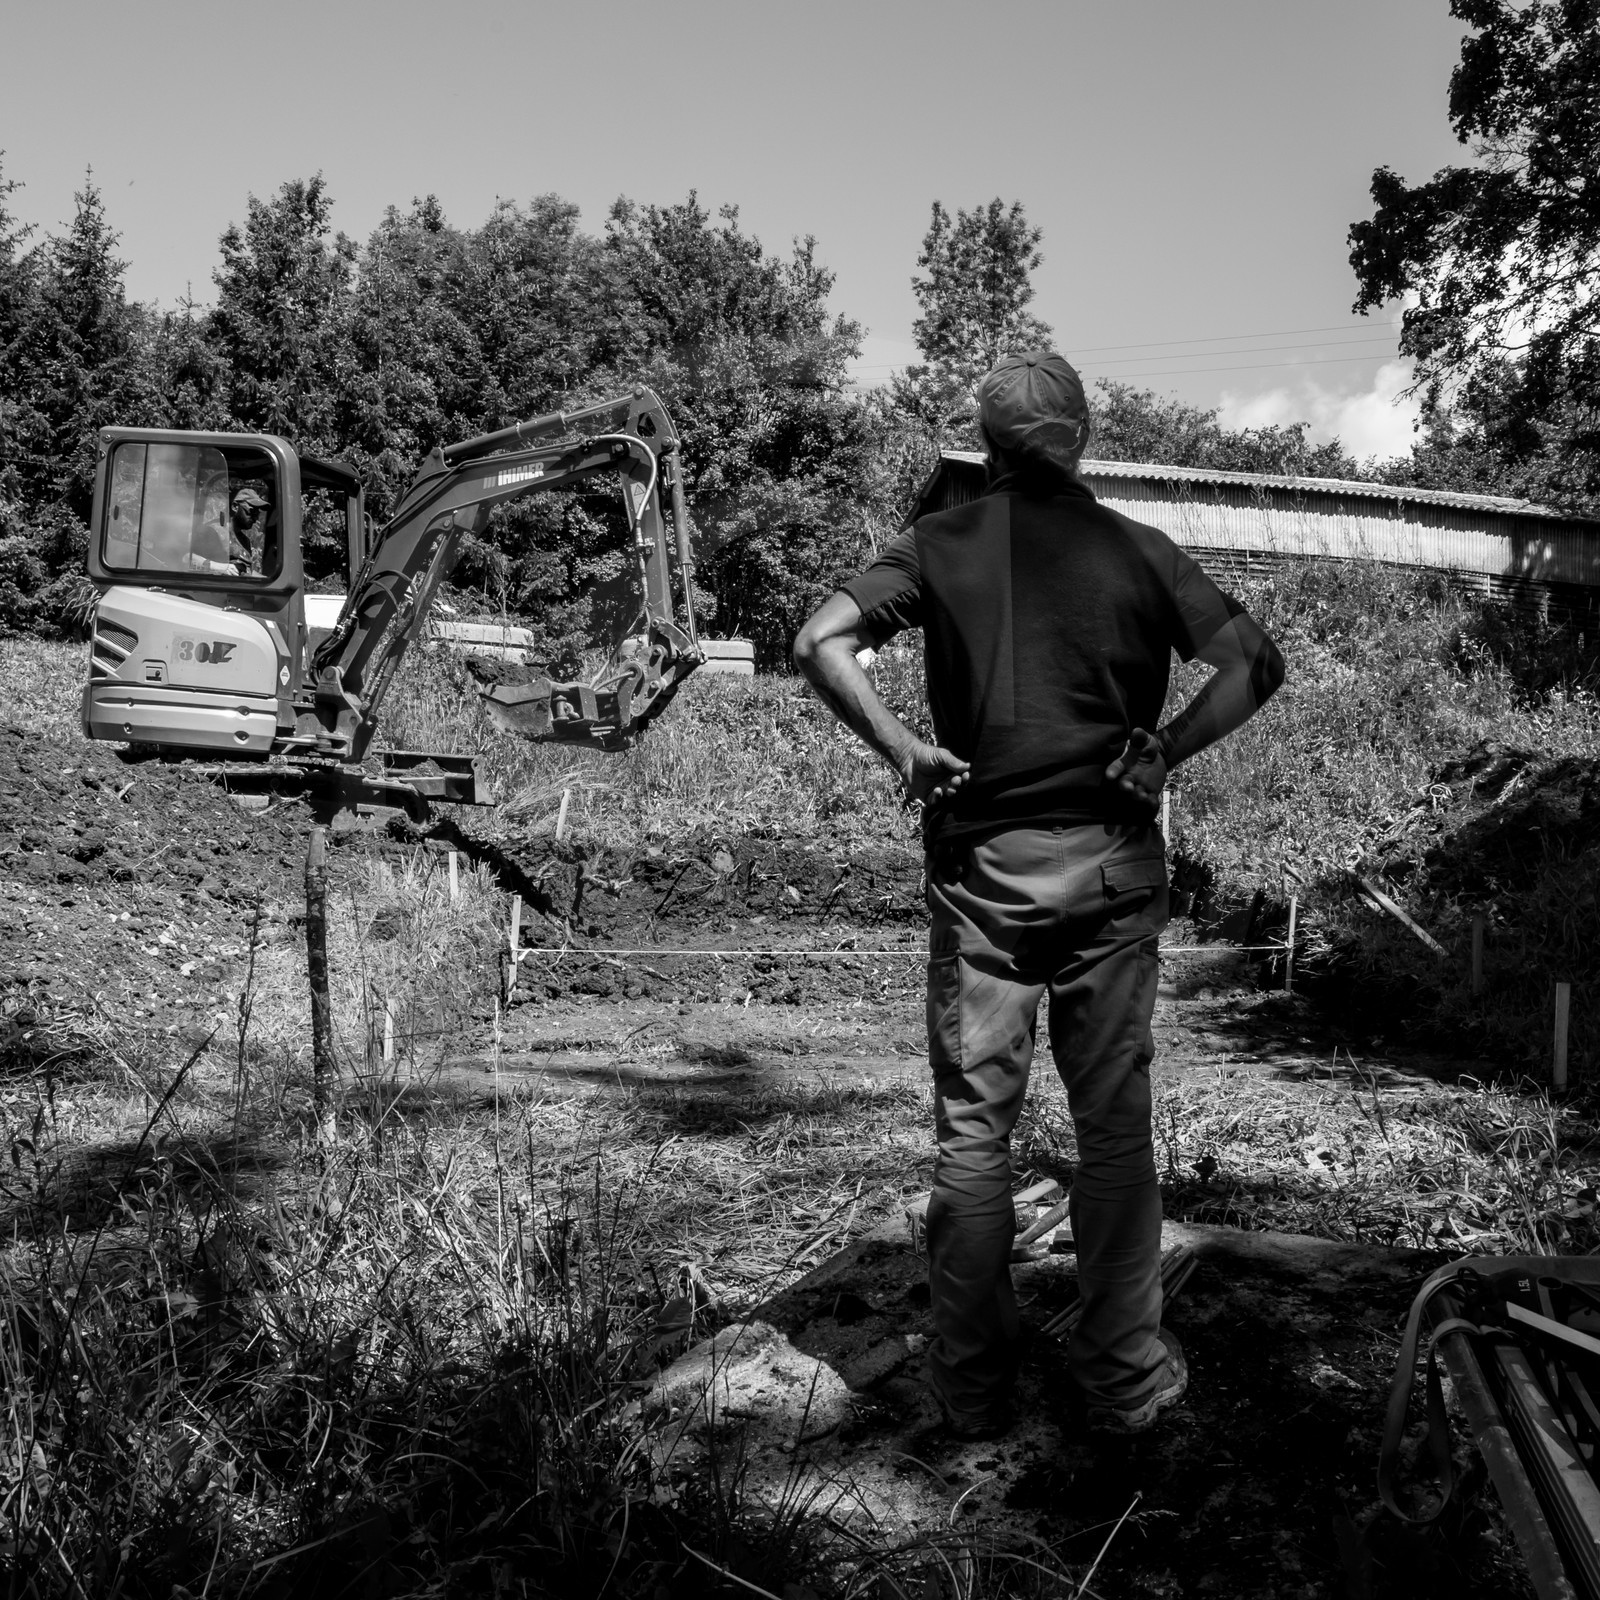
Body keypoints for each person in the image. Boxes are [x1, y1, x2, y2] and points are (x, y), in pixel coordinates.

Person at [793, 350, 1285, 1439]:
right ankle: (1119, 1374)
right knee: (1112, 1134)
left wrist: (902, 748)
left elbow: (818, 639)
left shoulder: (938, 544)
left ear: (990, 443)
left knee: (974, 1134)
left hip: (983, 875)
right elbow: (1254, 660)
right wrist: (1164, 752)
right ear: (1082, 438)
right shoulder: (1141, 551)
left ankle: (969, 1389)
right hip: (1110, 871)